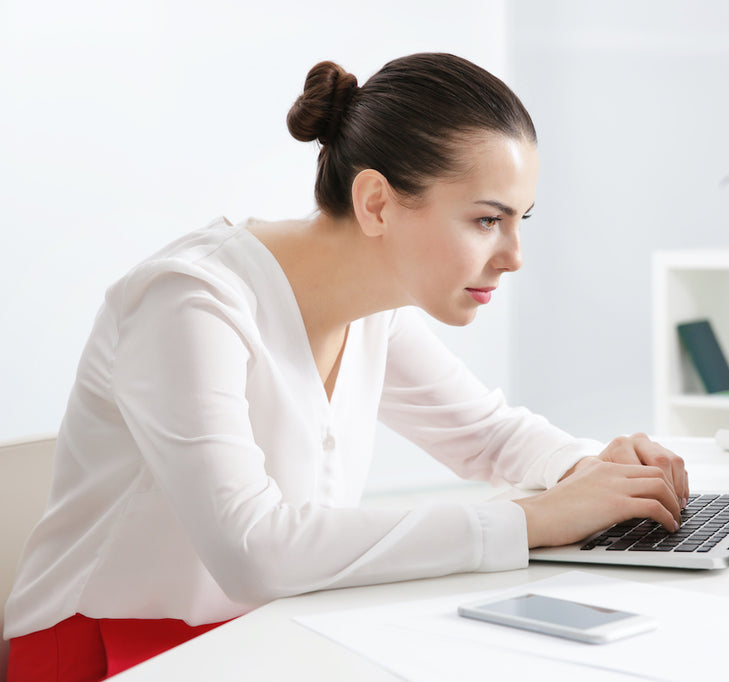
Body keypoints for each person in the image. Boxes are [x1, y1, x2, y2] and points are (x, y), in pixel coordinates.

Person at [4, 53, 687, 681]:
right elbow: (254, 549)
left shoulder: (373, 309)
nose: (514, 255)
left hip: (260, 637)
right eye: (486, 220)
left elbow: (488, 434)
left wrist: (593, 474)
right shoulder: (191, 303)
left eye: (520, 221)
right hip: (109, 654)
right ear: (376, 203)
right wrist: (533, 520)